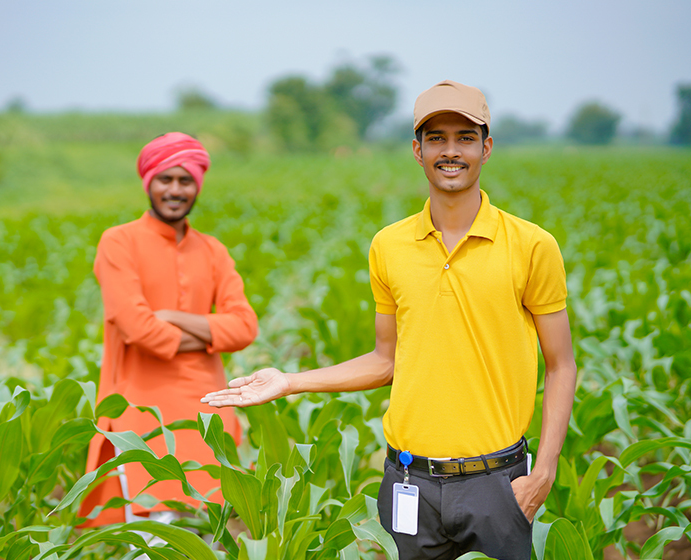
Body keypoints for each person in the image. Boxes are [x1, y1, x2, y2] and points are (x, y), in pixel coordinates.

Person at [202, 81, 576, 560]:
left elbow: (561, 365)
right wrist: (290, 381)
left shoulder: (531, 245)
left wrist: (542, 473)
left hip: (495, 486)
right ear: (417, 150)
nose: (451, 150)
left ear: (486, 148)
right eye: (436, 138)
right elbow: (386, 360)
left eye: (465, 137)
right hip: (408, 485)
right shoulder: (389, 246)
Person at [79, 132, 258, 528]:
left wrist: (172, 317)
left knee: (209, 535)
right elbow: (138, 327)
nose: (175, 190)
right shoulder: (118, 242)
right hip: (141, 418)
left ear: (198, 186)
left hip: (209, 419)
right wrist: (211, 334)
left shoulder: (212, 251)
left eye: (186, 180)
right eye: (166, 179)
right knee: (155, 536)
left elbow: (245, 327)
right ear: (148, 183)